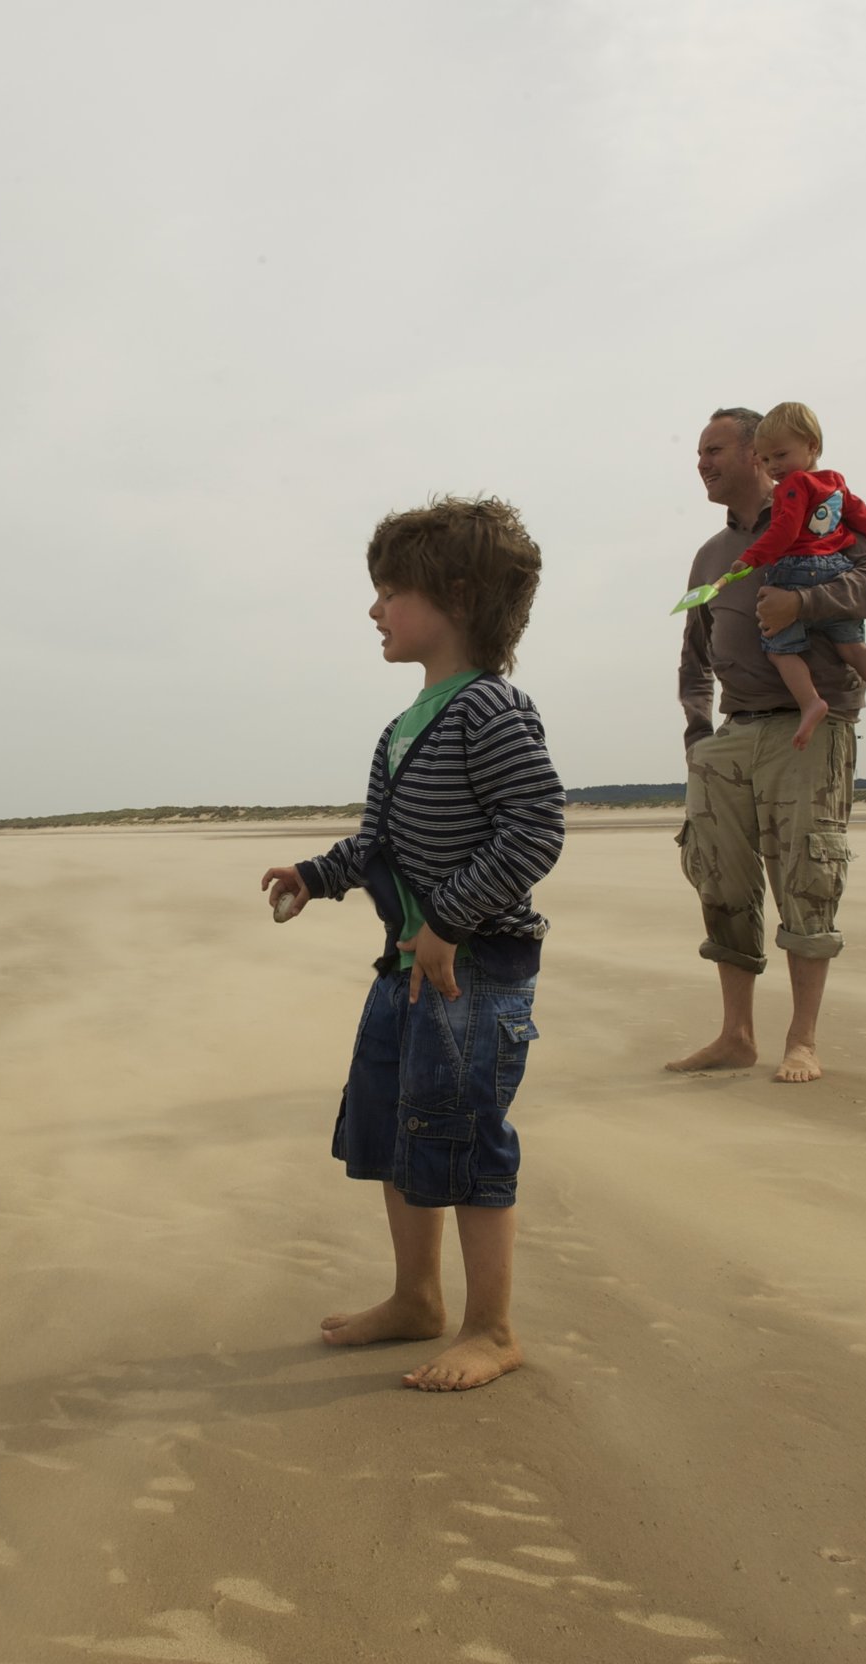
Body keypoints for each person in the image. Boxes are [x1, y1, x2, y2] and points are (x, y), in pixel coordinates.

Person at [260, 496, 563, 1392]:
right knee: (400, 1131)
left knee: (467, 1139)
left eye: (392, 591)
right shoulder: (403, 727)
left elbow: (537, 824)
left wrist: (450, 922)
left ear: (457, 597)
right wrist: (317, 876)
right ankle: (417, 1300)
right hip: (407, 967)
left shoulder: (488, 710)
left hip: (472, 970)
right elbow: (380, 843)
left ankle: (493, 1328)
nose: (375, 609)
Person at [668, 406, 866, 1085]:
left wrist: (804, 605)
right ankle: (736, 1035)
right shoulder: (710, 554)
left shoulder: (822, 514)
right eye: (698, 454)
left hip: (809, 726)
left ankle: (803, 1039)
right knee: (721, 880)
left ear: (757, 453)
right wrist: (697, 737)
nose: (703, 463)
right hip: (731, 736)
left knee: (807, 875)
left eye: (714, 450)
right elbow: (693, 657)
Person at [725, 402, 866, 752]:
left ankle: (810, 701)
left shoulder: (794, 486)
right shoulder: (836, 485)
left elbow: (784, 531)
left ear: (812, 446)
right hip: (834, 567)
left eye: (780, 455)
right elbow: (865, 520)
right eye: (765, 460)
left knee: (779, 649)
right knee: (854, 648)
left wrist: (750, 559)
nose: (774, 467)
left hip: (796, 570)